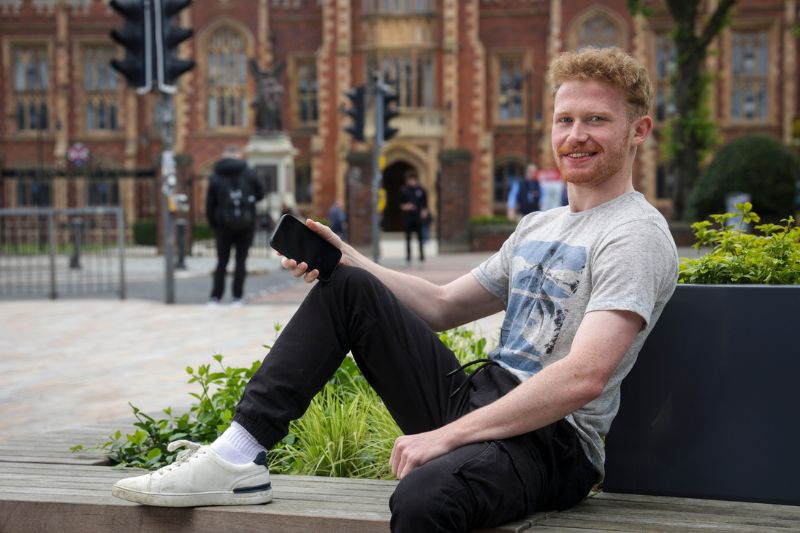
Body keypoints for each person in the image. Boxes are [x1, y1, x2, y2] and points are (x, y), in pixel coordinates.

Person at [112, 47, 678, 532]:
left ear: (638, 131)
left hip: (554, 444)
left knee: (425, 498)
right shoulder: (539, 225)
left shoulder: (635, 235)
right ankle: (237, 456)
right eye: (564, 120)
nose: (575, 136)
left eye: (596, 121)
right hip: (486, 400)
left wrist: (446, 438)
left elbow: (585, 376)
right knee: (347, 287)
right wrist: (348, 257)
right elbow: (442, 306)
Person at [205, 146, 264, 307]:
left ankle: (215, 297)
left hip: (223, 225)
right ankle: (237, 297)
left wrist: (213, 223)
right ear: (239, 156)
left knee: (221, 261)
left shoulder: (216, 174)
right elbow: (260, 194)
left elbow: (210, 203)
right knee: (241, 261)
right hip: (246, 223)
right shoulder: (249, 172)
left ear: (224, 156)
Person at [398, 169, 428, 264]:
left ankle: (421, 255)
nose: (412, 181)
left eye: (413, 179)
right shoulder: (404, 190)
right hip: (408, 217)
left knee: (420, 237)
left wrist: (424, 211)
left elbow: (425, 204)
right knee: (408, 238)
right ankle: (408, 255)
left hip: (418, 217)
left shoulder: (421, 190)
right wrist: (408, 206)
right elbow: (400, 205)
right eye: (410, 179)